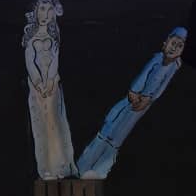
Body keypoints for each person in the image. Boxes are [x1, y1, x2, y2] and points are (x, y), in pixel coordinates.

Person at [77, 27, 187, 179]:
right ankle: (82, 166)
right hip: (134, 99)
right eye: (173, 43)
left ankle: (99, 171)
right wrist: (134, 92)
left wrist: (149, 100)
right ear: (165, 42)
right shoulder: (157, 59)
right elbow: (143, 76)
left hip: (144, 105)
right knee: (110, 127)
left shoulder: (174, 66)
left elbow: (162, 85)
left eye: (179, 46)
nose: (174, 48)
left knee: (119, 136)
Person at [22, 0, 78, 180]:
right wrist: (39, 84)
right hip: (37, 88)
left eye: (49, 10)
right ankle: (46, 167)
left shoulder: (54, 36)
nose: (45, 14)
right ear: (36, 10)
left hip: (52, 86)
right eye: (42, 9)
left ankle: (61, 165)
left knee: (55, 122)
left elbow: (55, 60)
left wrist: (52, 81)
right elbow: (30, 63)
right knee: (41, 125)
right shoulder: (31, 37)